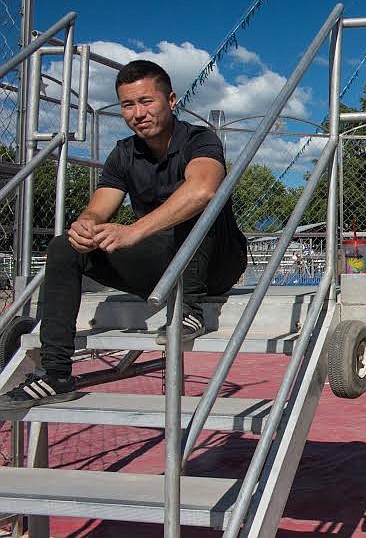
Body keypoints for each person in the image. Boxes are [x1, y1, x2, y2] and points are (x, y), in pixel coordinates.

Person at [0, 60, 247, 410]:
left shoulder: (199, 139)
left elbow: (203, 190)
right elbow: (99, 208)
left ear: (171, 100)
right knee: (64, 247)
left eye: (146, 101)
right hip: (162, 268)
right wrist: (86, 225)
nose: (137, 113)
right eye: (128, 105)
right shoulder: (124, 153)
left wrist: (132, 232)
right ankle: (55, 374)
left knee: (196, 202)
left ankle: (190, 310)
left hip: (214, 267)